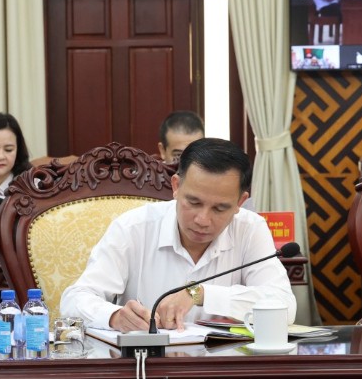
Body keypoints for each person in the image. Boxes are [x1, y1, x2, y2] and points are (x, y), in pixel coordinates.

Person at [60, 138, 294, 332]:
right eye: (193, 202)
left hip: (225, 365)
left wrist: (199, 293)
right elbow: (74, 299)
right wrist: (114, 316)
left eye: (220, 208)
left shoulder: (250, 229)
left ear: (240, 203)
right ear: (176, 186)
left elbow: (284, 306)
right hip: (146, 366)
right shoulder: (133, 228)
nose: (202, 219)